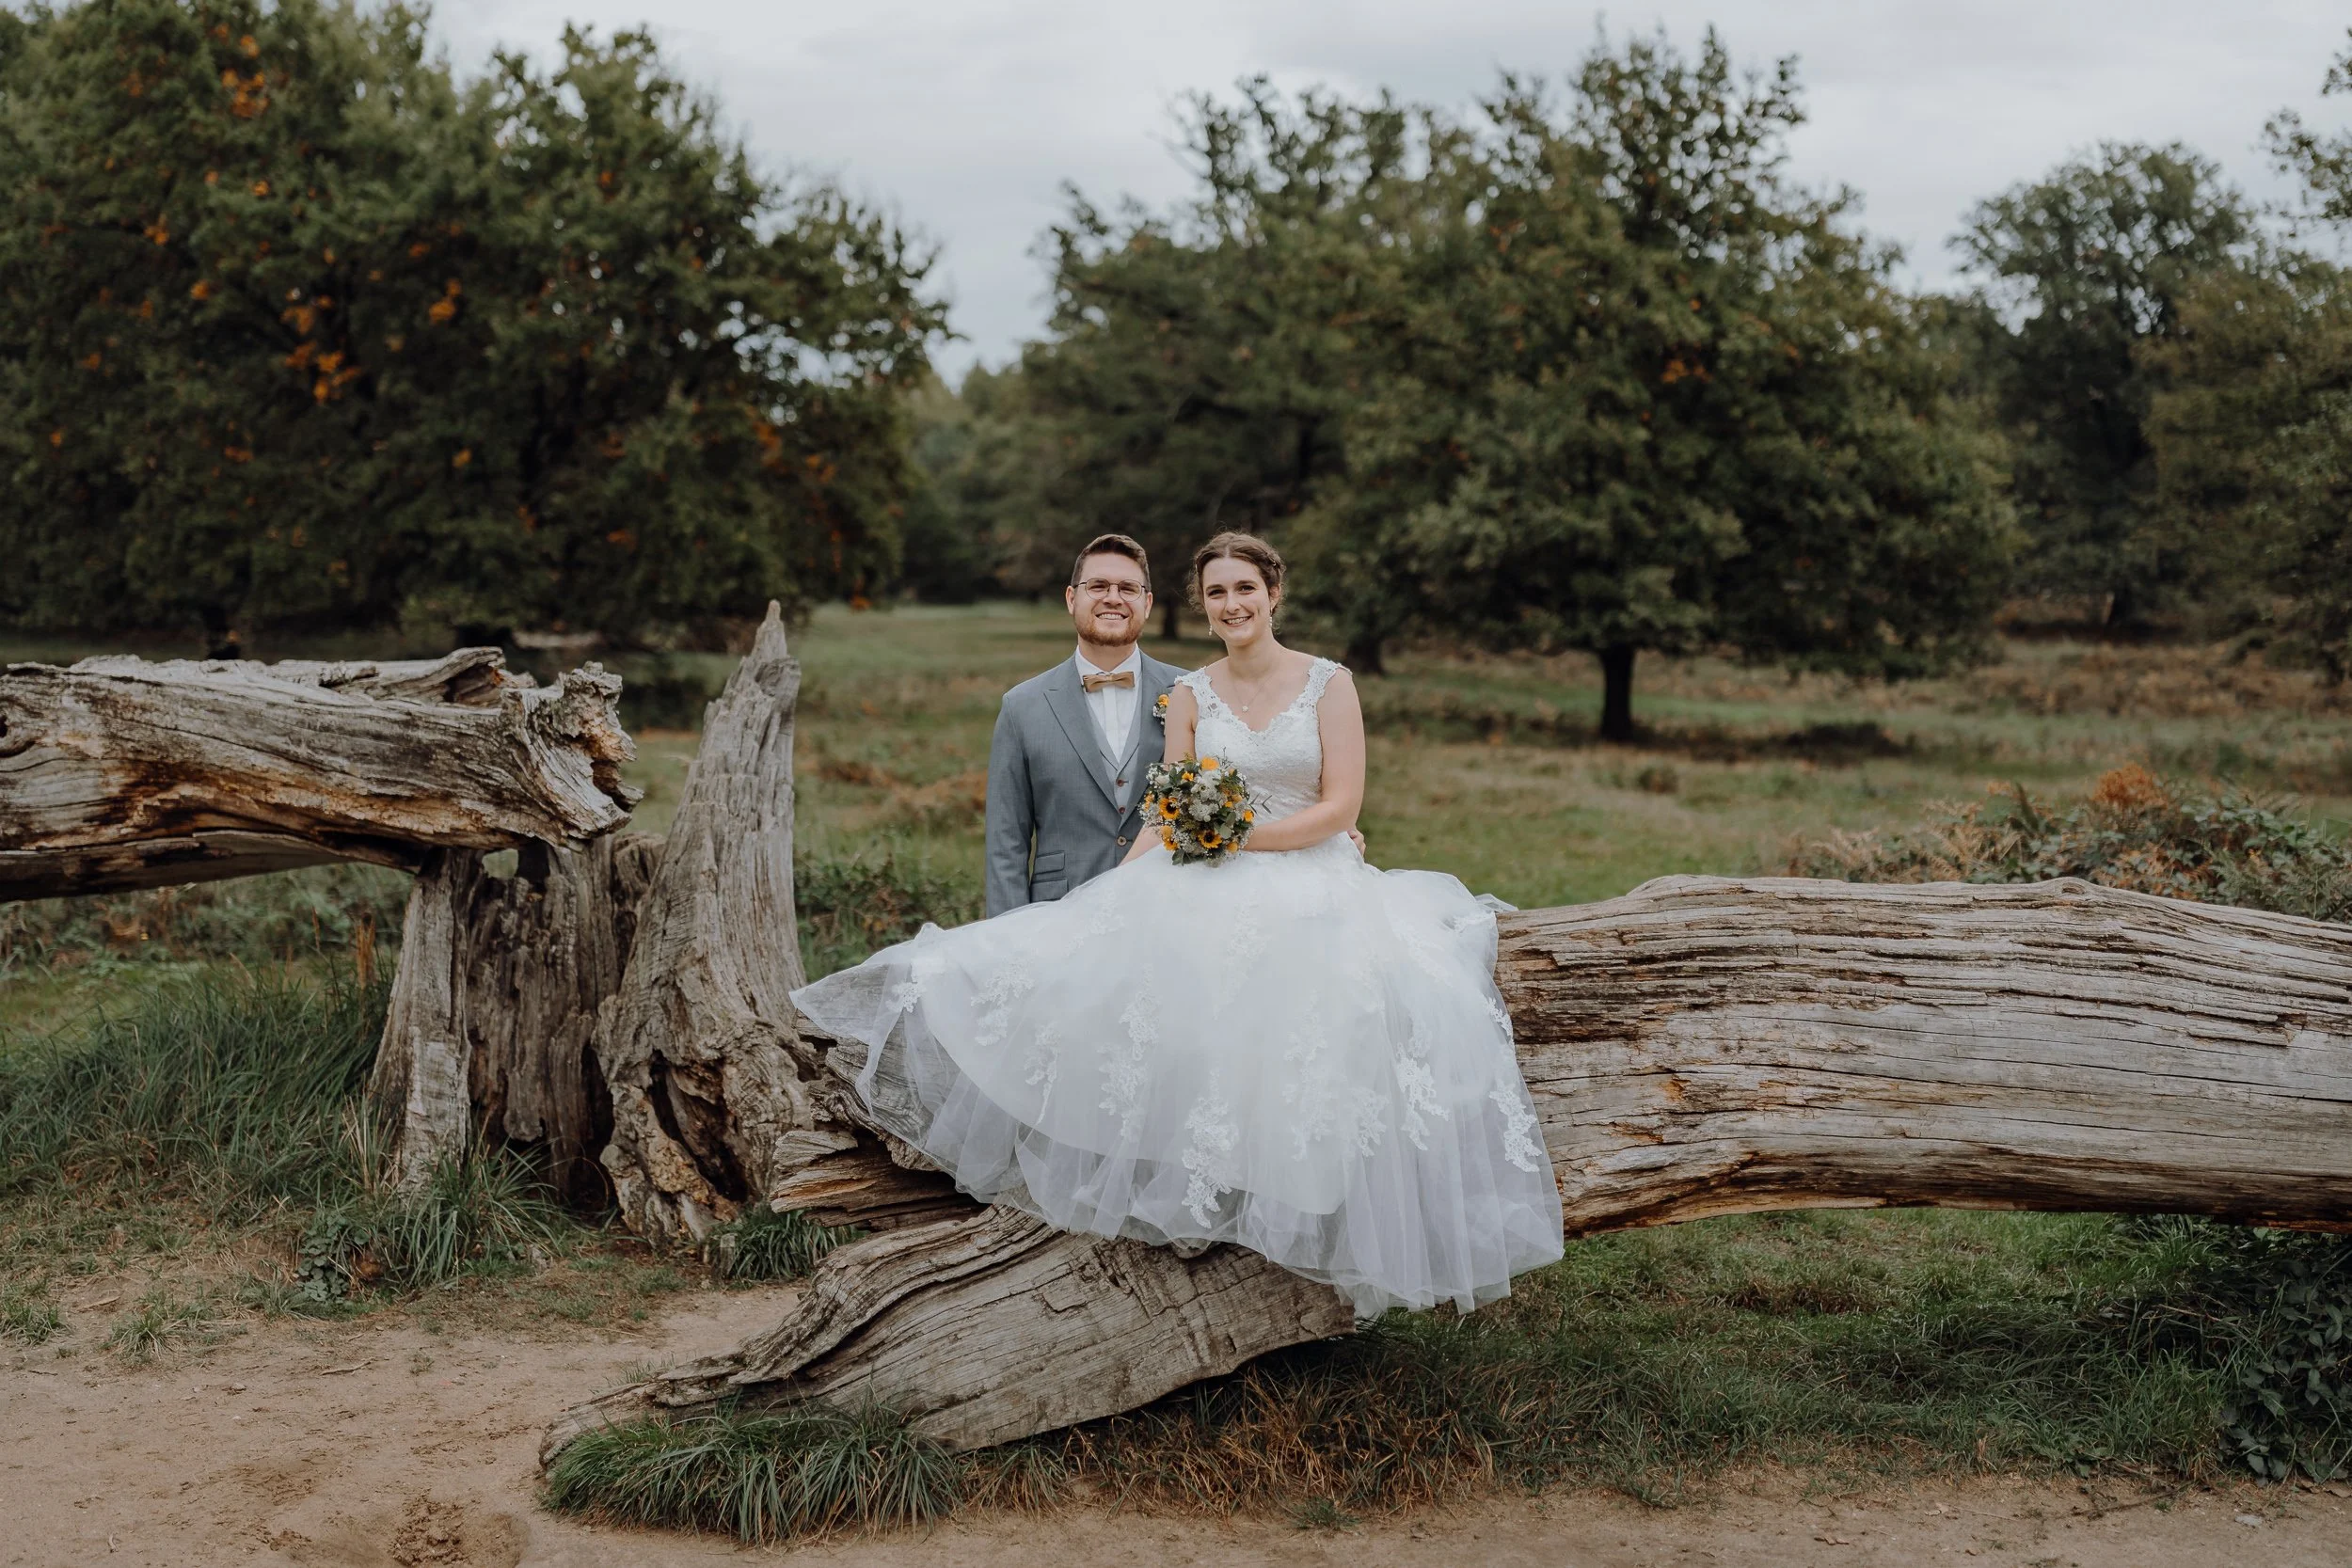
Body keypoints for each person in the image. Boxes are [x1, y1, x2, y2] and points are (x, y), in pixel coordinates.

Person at [792, 532, 1563, 1317]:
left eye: (1245, 589)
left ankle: (1299, 1195)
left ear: (1273, 594)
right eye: (1218, 592)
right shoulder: (1191, 693)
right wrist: (1089, 909)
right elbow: (1167, 812)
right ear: (1202, 605)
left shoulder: (1331, 684)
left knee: (1322, 1010)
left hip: (1310, 877)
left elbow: (1340, 808)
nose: (1232, 604)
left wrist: (1238, 836)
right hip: (1202, 872)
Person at [981, 533, 1185, 917]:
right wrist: (1006, 945)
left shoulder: (1191, 692)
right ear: (1072, 598)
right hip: (1060, 918)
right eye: (1098, 586)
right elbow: (1006, 845)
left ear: (1147, 602)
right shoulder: (1021, 706)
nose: (1113, 597)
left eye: (1128, 588)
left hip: (1169, 915)